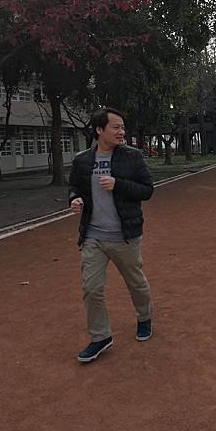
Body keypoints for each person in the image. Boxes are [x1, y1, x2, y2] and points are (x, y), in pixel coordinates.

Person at [68, 107, 154, 363]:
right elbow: (75, 187)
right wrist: (75, 199)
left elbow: (147, 190)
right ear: (99, 130)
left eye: (122, 127)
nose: (121, 131)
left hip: (124, 235)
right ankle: (100, 336)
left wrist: (118, 184)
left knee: (136, 283)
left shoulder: (132, 157)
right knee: (91, 288)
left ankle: (144, 318)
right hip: (93, 236)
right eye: (116, 127)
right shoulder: (82, 160)